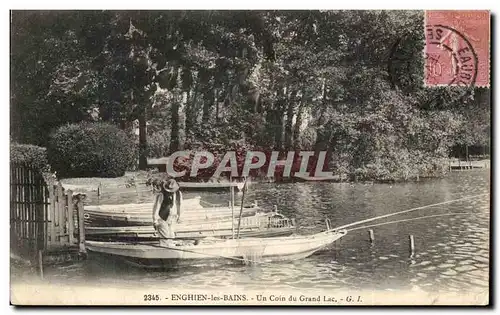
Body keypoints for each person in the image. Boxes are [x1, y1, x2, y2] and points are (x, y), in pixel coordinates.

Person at [152, 178, 182, 247]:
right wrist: (155, 220)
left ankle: (171, 249)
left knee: (171, 235)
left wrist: (179, 216)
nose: (170, 192)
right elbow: (156, 207)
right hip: (162, 218)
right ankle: (164, 249)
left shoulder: (178, 194)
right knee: (165, 236)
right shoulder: (161, 195)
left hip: (172, 217)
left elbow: (179, 205)